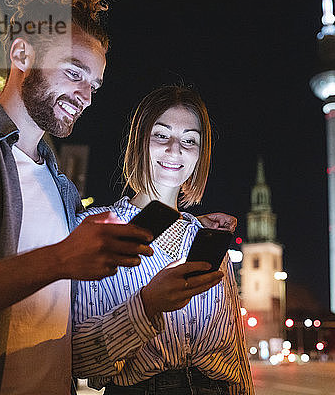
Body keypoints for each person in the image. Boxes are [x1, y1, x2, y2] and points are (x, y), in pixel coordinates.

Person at [0, 0, 156, 394]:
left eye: (94, 85)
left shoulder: (62, 189)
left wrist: (150, 304)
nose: (87, 96)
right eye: (73, 73)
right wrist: (60, 259)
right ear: (21, 54)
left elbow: (58, 338)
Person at [73, 85, 254, 395]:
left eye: (190, 140)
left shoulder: (208, 238)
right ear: (139, 141)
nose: (175, 150)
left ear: (201, 153)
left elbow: (234, 350)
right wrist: (146, 306)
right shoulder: (95, 228)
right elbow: (82, 359)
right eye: (161, 135)